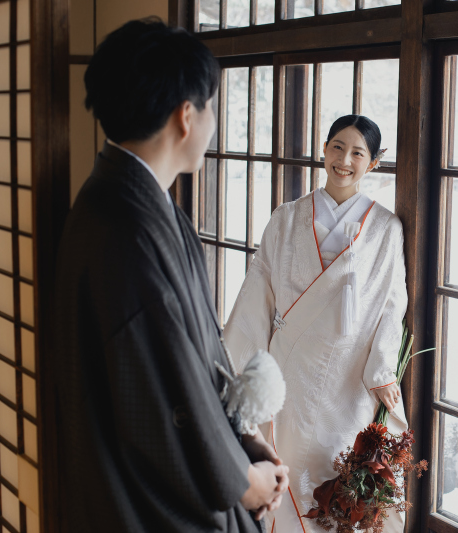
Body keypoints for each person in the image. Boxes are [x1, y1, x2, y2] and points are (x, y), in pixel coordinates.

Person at [52, 19, 288, 532]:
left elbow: (189, 364)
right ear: (186, 116)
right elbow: (164, 401)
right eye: (211, 107)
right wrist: (241, 480)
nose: (212, 121)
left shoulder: (124, 201)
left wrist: (244, 438)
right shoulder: (127, 231)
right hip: (143, 503)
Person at [224, 115, 409, 533]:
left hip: (346, 382)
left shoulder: (384, 229)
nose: (345, 160)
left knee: (335, 488)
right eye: (337, 148)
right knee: (283, 476)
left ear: (374, 162)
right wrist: (238, 367)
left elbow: (391, 302)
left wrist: (381, 367)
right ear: (324, 149)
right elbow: (258, 290)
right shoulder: (286, 218)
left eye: (358, 153)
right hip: (289, 370)